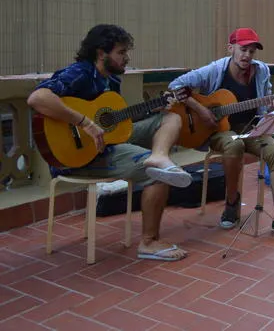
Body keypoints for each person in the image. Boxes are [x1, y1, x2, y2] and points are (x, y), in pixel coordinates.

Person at [27, 24, 190, 261]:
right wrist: (85, 122)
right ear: (102, 53)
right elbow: (38, 98)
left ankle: (160, 155)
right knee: (157, 173)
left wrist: (151, 108)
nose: (127, 58)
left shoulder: (111, 81)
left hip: (107, 144)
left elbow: (117, 122)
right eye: (121, 52)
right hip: (76, 156)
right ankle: (149, 243)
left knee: (171, 117)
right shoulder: (80, 73)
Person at [167, 28, 274, 241]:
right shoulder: (215, 70)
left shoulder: (261, 71)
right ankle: (232, 203)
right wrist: (202, 110)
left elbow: (263, 107)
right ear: (230, 48)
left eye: (252, 51)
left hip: (251, 127)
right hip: (218, 129)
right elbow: (176, 86)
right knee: (234, 146)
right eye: (243, 50)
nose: (247, 56)